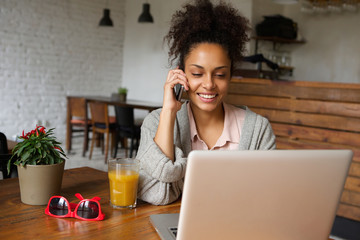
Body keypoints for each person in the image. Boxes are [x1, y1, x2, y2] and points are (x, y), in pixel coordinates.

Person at [136, 0, 276, 205]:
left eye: (219, 74)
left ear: (230, 76)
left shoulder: (258, 130)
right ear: (181, 74)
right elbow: (155, 194)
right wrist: (168, 112)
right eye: (197, 73)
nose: (209, 84)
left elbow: (269, 197)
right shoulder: (156, 122)